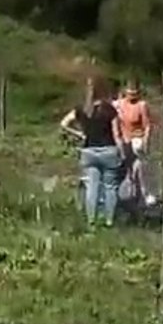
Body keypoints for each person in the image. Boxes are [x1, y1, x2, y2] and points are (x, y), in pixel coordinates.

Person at [60, 77, 126, 228]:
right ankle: (109, 221)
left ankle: (91, 220)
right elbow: (117, 134)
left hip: (89, 151)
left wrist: (79, 134)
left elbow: (63, 124)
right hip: (108, 150)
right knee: (110, 187)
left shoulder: (81, 109)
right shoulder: (109, 110)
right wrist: (122, 153)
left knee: (92, 187)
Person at [115, 80, 154, 204]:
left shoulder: (142, 105)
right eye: (130, 93)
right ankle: (129, 195)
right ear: (125, 92)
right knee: (127, 169)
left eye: (135, 94)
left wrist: (146, 141)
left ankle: (143, 194)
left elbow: (147, 125)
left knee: (139, 169)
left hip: (137, 138)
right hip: (124, 140)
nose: (132, 96)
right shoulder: (119, 105)